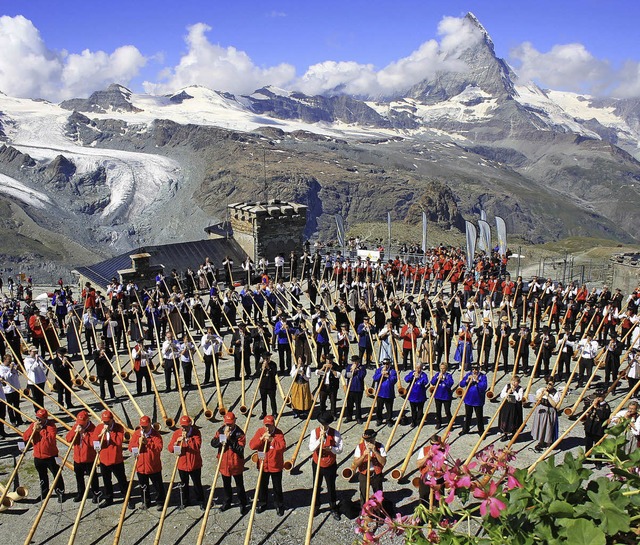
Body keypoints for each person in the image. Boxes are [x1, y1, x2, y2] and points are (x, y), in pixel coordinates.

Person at [210, 412, 248, 514]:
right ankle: (227, 502)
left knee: (239, 485)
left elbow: (240, 449)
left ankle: (243, 503)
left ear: (235, 421)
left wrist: (230, 440)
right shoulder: (220, 430)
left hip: (235, 463)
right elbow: (213, 443)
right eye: (227, 424)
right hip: (224, 463)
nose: (229, 426)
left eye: (230, 424)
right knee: (226, 484)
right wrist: (221, 439)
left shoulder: (240, 433)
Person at [24, 409, 65, 502]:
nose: (38, 420)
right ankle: (44, 492)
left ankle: (60, 492)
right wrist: (32, 429)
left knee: (57, 475)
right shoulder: (33, 425)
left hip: (51, 456)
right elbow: (25, 437)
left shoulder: (51, 426)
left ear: (45, 418)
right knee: (42, 476)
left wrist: (41, 431)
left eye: (40, 419)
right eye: (37, 418)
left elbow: (50, 441)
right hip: (38, 456)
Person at [249, 415, 286, 516]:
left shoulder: (279, 433)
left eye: (269, 426)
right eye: (266, 425)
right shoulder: (260, 431)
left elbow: (282, 447)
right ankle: (263, 503)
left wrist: (272, 441)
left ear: (273, 424)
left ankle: (279, 505)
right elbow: (252, 446)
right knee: (262, 485)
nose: (268, 428)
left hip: (275, 465)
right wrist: (261, 439)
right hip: (263, 463)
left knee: (277, 486)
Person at [309, 412, 343, 520]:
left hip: (330, 464)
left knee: (331, 486)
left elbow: (340, 449)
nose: (324, 426)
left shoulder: (335, 434)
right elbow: (311, 448)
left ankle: (333, 507)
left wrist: (331, 449)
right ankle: (316, 506)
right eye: (322, 424)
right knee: (316, 485)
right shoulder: (315, 432)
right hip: (317, 463)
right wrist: (320, 440)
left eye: (326, 425)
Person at [168, 415, 205, 509]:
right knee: (184, 484)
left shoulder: (196, 432)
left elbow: (197, 446)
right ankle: (185, 501)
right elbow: (171, 449)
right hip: (182, 464)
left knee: (197, 484)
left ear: (190, 425)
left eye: (186, 426)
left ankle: (201, 501)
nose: (184, 428)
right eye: (182, 426)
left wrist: (188, 440)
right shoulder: (177, 433)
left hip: (194, 464)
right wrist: (176, 443)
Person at [93, 410, 128, 507]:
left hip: (116, 460)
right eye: (104, 421)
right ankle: (109, 499)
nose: (105, 423)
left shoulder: (119, 428)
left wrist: (110, 432)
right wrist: (100, 435)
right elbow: (94, 442)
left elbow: (119, 442)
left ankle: (127, 498)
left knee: (122, 480)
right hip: (104, 460)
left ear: (112, 420)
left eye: (107, 421)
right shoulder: (99, 428)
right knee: (106, 481)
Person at [130, 415, 165, 510]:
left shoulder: (156, 435)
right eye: (142, 426)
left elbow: (159, 448)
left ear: (150, 424)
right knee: (143, 487)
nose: (143, 428)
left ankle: (160, 502)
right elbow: (131, 447)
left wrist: (148, 443)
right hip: (141, 465)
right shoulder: (137, 434)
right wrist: (137, 443)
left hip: (153, 466)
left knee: (158, 486)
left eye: (145, 426)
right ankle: (145, 502)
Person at [66, 410, 100, 503]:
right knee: (79, 477)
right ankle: (80, 493)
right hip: (78, 458)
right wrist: (74, 432)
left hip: (89, 458)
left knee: (93, 477)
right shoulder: (76, 426)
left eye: (82, 423)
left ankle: (96, 493)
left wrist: (84, 433)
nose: (80, 424)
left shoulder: (93, 428)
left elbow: (93, 443)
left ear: (87, 420)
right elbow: (68, 439)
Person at [353, 428, 386, 506]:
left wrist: (375, 451)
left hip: (376, 473)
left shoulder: (380, 446)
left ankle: (379, 511)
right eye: (367, 441)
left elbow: (383, 462)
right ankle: (364, 512)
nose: (369, 443)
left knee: (378, 494)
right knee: (363, 494)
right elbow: (356, 464)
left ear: (374, 438)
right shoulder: (359, 447)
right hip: (364, 474)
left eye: (371, 440)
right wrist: (364, 455)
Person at [531, 376, 561, 452]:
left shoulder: (556, 393)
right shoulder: (541, 390)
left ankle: (548, 443)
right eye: (548, 384)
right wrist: (541, 394)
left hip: (550, 411)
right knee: (540, 426)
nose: (549, 386)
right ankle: (540, 442)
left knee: (548, 427)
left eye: (551, 384)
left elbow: (554, 405)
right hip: (541, 410)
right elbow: (536, 398)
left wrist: (548, 396)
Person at [581, 389, 611, 460]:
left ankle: (598, 461)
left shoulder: (606, 406)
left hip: (598, 429)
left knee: (598, 446)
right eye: (596, 396)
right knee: (588, 444)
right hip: (589, 427)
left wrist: (596, 407)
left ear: (603, 397)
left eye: (599, 396)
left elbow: (602, 416)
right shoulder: (593, 404)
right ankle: (587, 458)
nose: (597, 398)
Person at [416, 435, 445, 505]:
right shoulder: (424, 450)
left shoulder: (443, 452)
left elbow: (445, 469)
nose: (434, 446)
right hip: (426, 478)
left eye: (437, 444)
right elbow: (418, 465)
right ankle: (423, 514)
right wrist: (427, 456)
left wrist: (439, 459)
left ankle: (439, 514)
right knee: (423, 498)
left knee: (439, 499)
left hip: (438, 480)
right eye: (432, 444)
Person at [459, 365, 487, 435]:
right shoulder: (468, 375)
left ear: (479, 369)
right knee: (468, 416)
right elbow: (461, 384)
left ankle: (481, 431)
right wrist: (467, 380)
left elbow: (484, 387)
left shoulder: (483, 376)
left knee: (479, 417)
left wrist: (477, 381)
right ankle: (465, 429)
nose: (474, 371)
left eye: (476, 369)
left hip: (478, 400)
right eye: (473, 369)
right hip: (469, 399)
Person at [404, 362, 430, 427]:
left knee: (420, 410)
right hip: (412, 396)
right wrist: (412, 376)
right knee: (413, 410)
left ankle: (419, 421)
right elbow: (406, 379)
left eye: (419, 368)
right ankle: (413, 421)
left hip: (420, 396)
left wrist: (419, 379)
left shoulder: (423, 375)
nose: (417, 369)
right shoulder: (412, 373)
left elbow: (426, 382)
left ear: (421, 368)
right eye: (416, 368)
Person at [498, 375, 524, 441]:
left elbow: (519, 398)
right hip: (507, 406)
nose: (514, 383)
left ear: (518, 383)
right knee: (505, 419)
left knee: (514, 420)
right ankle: (505, 434)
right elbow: (502, 395)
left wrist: (514, 391)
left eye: (515, 382)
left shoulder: (520, 389)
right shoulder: (507, 386)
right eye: (513, 381)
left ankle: (513, 435)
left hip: (515, 407)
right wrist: (507, 392)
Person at [372, 358, 397, 426]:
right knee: (379, 408)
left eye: (387, 364)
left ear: (389, 364)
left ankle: (389, 420)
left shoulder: (393, 371)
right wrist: (381, 374)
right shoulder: (379, 370)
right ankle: (379, 419)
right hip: (380, 393)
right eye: (384, 364)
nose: (386, 365)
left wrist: (388, 376)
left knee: (389, 408)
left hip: (389, 393)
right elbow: (375, 378)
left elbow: (394, 381)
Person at [0, 354, 23, 425]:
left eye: (10, 360)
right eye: (8, 360)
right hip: (8, 390)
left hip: (15, 387)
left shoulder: (12, 366)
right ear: (5, 360)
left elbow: (16, 375)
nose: (10, 361)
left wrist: (17, 369)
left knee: (17, 405)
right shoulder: (1, 368)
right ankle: (13, 421)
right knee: (10, 407)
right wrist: (10, 369)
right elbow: (5, 378)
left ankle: (19, 420)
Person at [316, 353, 341, 418]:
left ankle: (333, 414)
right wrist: (323, 368)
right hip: (323, 386)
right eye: (327, 359)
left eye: (330, 360)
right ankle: (322, 413)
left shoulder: (336, 366)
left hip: (332, 387)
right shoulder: (321, 364)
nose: (329, 361)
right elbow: (317, 373)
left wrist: (332, 369)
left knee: (333, 401)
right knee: (322, 400)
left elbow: (338, 375)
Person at [344, 355, 367, 423]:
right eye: (353, 361)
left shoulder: (362, 368)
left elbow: (361, 376)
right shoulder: (349, 367)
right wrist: (351, 371)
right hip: (350, 388)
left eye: (355, 361)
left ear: (358, 361)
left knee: (358, 404)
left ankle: (358, 417)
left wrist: (357, 370)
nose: (353, 362)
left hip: (358, 388)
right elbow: (346, 376)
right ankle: (349, 417)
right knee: (349, 404)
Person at [258, 353, 278, 419]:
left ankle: (274, 413)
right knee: (263, 400)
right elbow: (257, 374)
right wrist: (261, 369)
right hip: (263, 386)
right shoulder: (260, 364)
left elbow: (274, 373)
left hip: (271, 385)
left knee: (272, 400)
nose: (266, 360)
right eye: (265, 359)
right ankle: (264, 412)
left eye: (267, 358)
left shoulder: (273, 364)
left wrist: (268, 368)